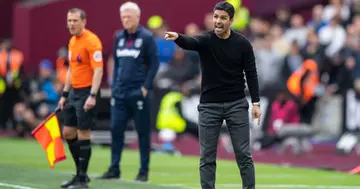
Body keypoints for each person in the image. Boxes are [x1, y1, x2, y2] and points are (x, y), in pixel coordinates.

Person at [164, 1, 261, 189]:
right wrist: (178, 37)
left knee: (243, 154)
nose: (218, 21)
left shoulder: (242, 44)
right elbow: (190, 42)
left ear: (231, 20)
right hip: (209, 106)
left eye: (223, 18)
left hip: (237, 104)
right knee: (207, 156)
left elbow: (251, 74)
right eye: (216, 17)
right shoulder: (206, 40)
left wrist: (256, 103)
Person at [97, 1, 159, 182]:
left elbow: (154, 64)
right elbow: (116, 63)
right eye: (123, 17)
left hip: (139, 92)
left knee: (142, 132)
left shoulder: (147, 37)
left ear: (138, 18)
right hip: (120, 92)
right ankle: (114, 168)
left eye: (129, 17)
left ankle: (143, 171)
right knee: (116, 130)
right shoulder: (119, 37)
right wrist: (114, 84)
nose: (126, 20)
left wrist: (146, 86)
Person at [58, 8, 104, 189]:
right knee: (68, 133)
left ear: (84, 21)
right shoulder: (72, 41)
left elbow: (99, 70)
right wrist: (64, 94)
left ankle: (82, 178)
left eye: (75, 21)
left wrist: (92, 95)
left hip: (87, 92)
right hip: (74, 92)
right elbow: (71, 69)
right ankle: (79, 173)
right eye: (69, 20)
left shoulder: (92, 41)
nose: (71, 24)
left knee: (84, 133)